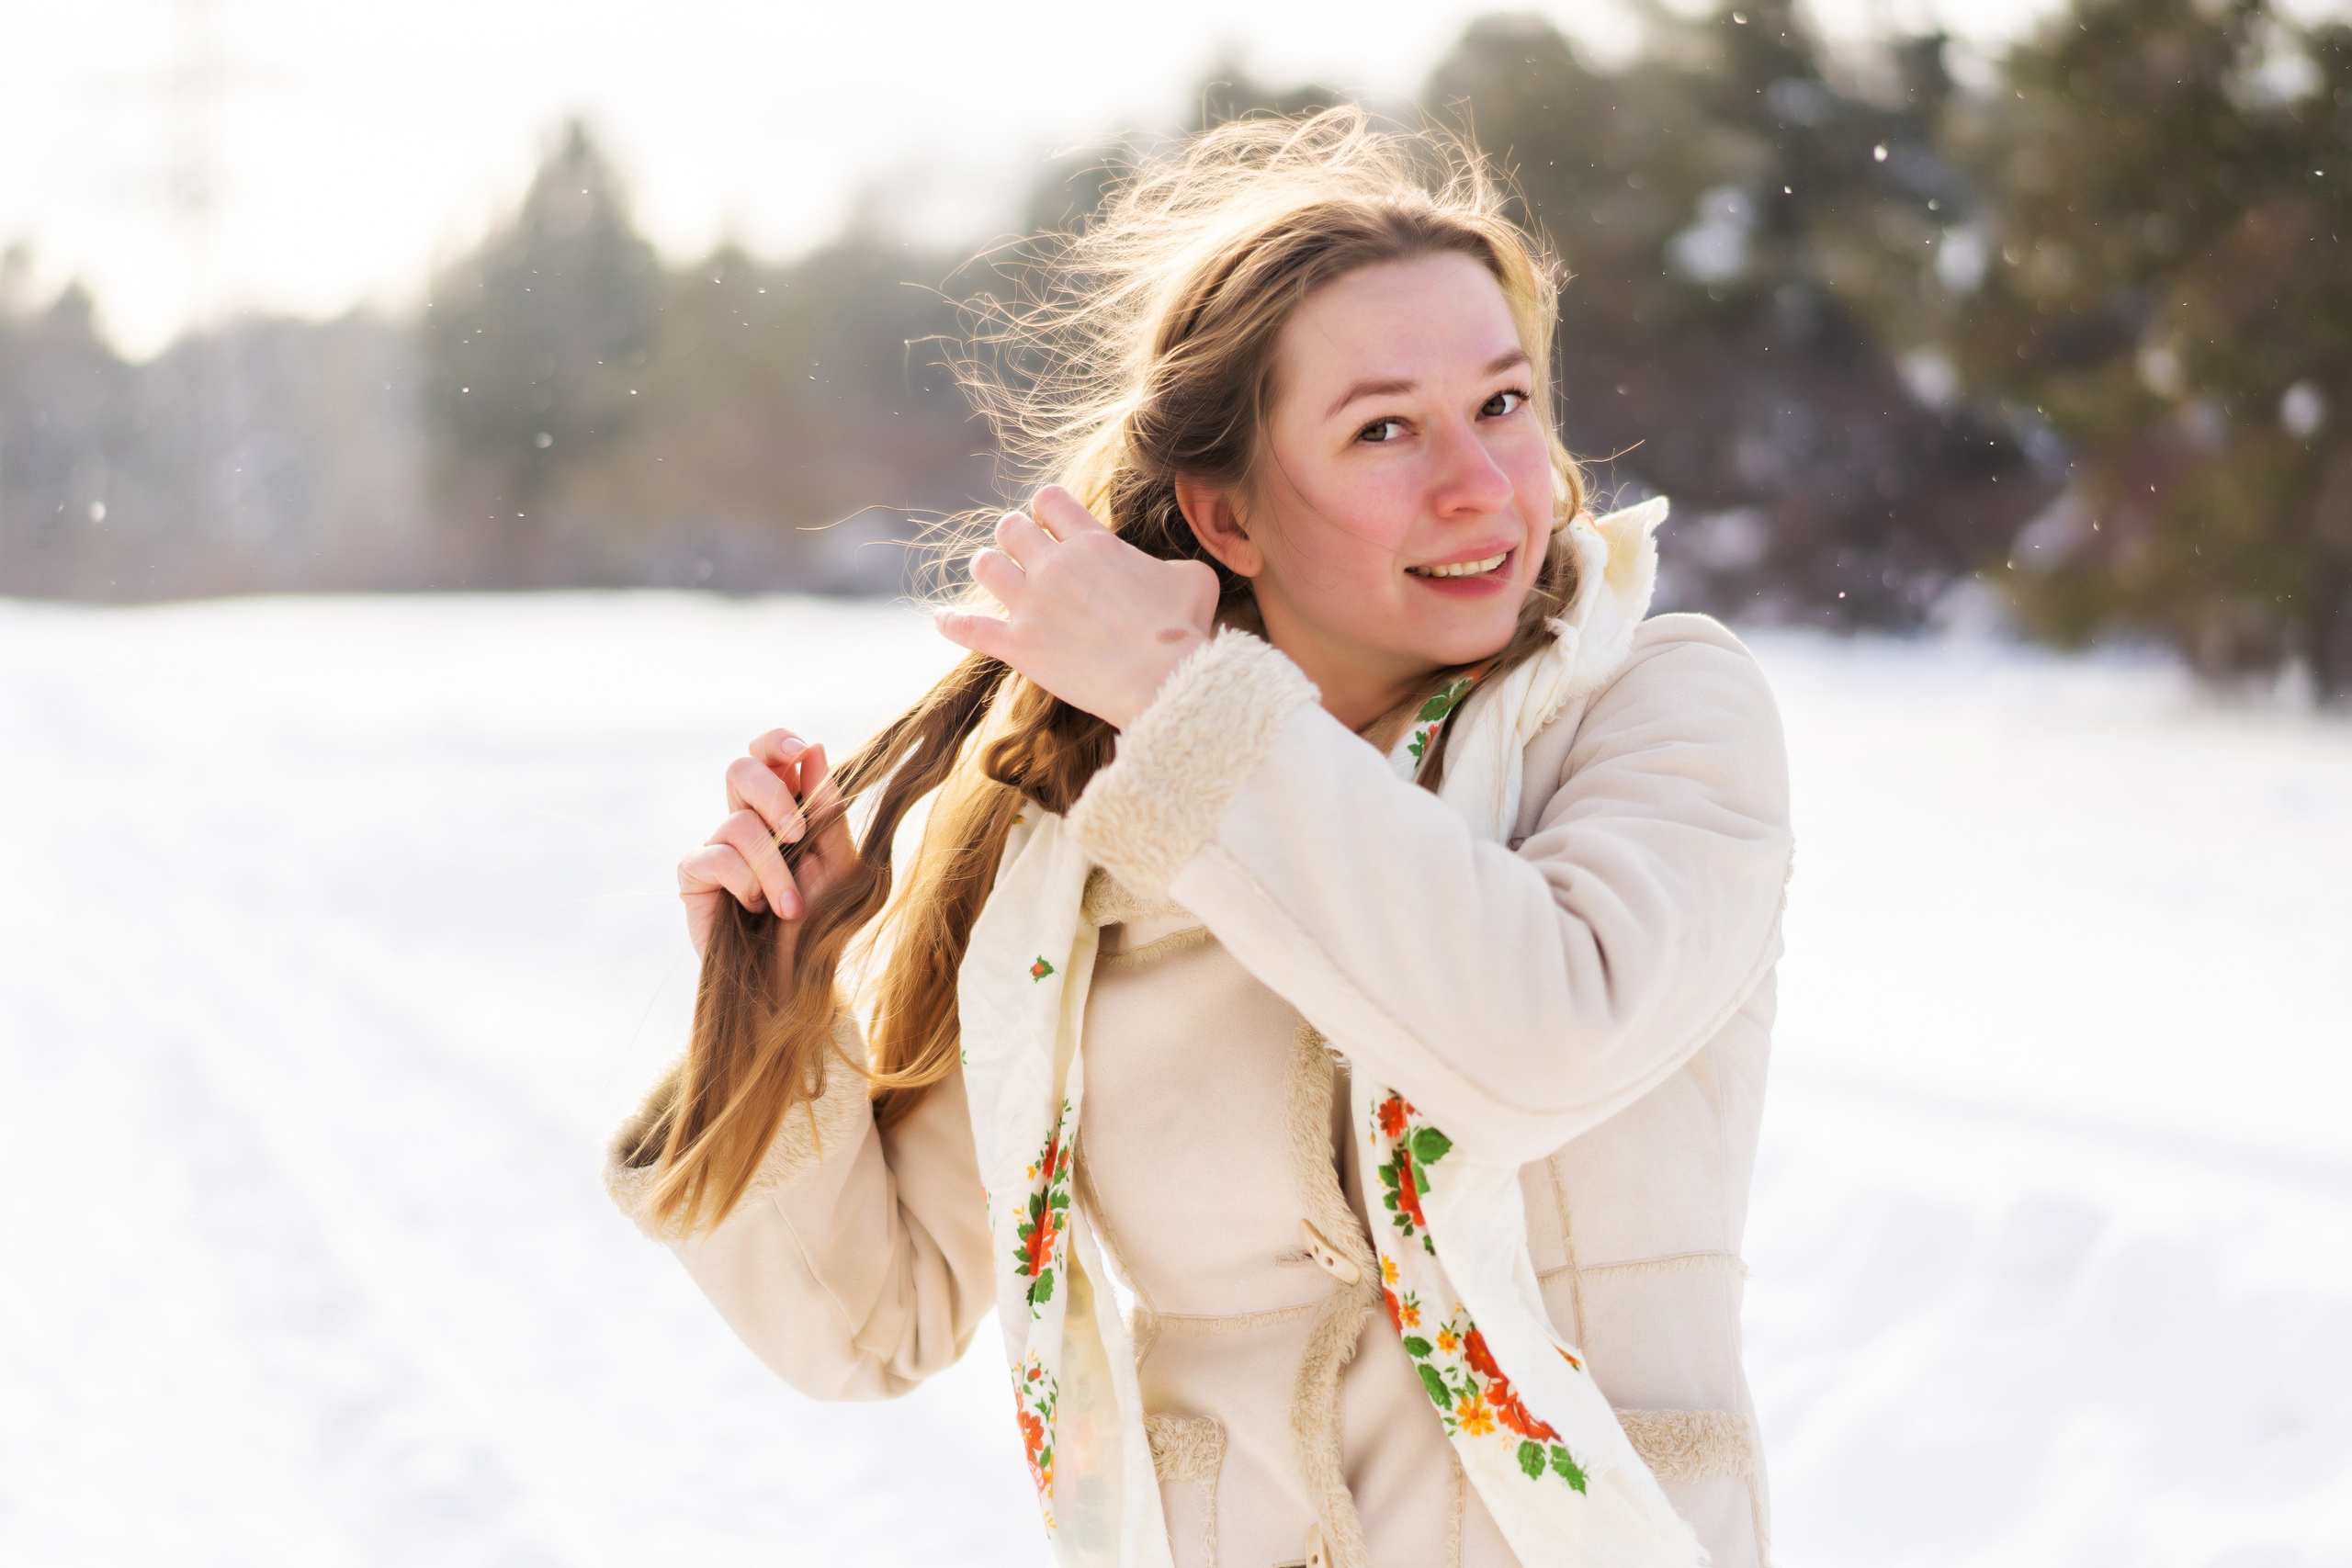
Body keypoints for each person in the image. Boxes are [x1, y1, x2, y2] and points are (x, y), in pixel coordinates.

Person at [605, 108, 1792, 1568]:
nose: (1485, 484)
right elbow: (874, 1318)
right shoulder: (1075, 866)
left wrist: (1188, 710)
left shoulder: (1652, 712)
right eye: (1383, 430)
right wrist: (781, 1015)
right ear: (1227, 516)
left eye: (1502, 403)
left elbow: (1537, 1039)